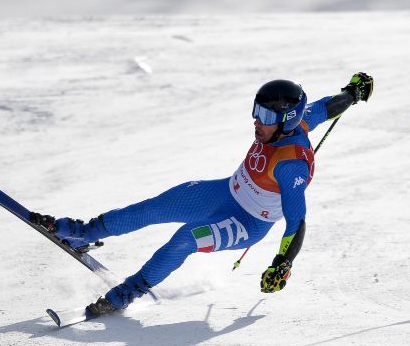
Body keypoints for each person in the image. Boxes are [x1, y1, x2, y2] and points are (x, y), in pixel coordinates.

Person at [32, 73, 374, 316]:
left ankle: (128, 292)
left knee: (185, 238)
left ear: (286, 121)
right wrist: (354, 93)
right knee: (156, 207)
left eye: (266, 116)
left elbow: (296, 223)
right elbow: (328, 106)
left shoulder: (291, 165)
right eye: (256, 110)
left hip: (247, 222)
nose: (257, 121)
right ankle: (83, 233)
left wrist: (282, 265)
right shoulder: (297, 119)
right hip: (222, 192)